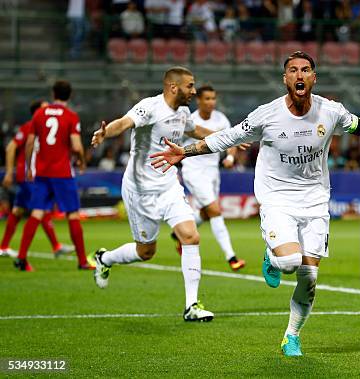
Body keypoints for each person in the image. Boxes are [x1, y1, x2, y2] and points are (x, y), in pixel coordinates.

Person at [150, 52, 360, 356]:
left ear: (313, 78)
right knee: (290, 262)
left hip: (316, 201)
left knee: (309, 278)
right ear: (285, 79)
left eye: (306, 70)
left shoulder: (331, 112)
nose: (299, 75)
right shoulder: (266, 115)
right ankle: (272, 254)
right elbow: (226, 138)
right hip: (277, 198)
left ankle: (291, 335)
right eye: (293, 70)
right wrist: (184, 152)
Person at [90, 66, 214, 322]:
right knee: (146, 252)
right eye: (190, 86)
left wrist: (228, 137)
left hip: (169, 186)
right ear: (173, 87)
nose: (194, 91)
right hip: (141, 190)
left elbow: (195, 131)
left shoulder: (182, 112)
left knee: (190, 236)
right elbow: (124, 123)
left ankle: (192, 306)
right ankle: (105, 258)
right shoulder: (150, 107)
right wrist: (105, 133)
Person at [16, 81, 93, 272]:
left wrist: (29, 167)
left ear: (53, 93)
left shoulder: (39, 114)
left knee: (36, 212)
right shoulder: (71, 116)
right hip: (62, 173)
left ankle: (22, 257)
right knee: (72, 214)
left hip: (42, 172)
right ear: (70, 95)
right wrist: (81, 160)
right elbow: (76, 145)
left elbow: (29, 142)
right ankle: (82, 261)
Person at [176, 84, 245, 271]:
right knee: (215, 210)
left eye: (213, 98)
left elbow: (230, 140)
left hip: (213, 172)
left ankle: (179, 234)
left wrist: (230, 156)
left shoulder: (220, 118)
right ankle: (231, 257)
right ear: (199, 100)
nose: (211, 102)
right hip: (193, 171)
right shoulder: (189, 120)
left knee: (207, 213)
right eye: (207, 99)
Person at [1, 100, 74, 259]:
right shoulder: (30, 126)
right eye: (45, 108)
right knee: (41, 209)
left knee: (19, 210)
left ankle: (4, 246)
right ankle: (55, 246)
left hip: (29, 175)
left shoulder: (40, 125)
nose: (49, 110)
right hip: (31, 176)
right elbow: (11, 147)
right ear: (37, 112)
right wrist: (8, 172)